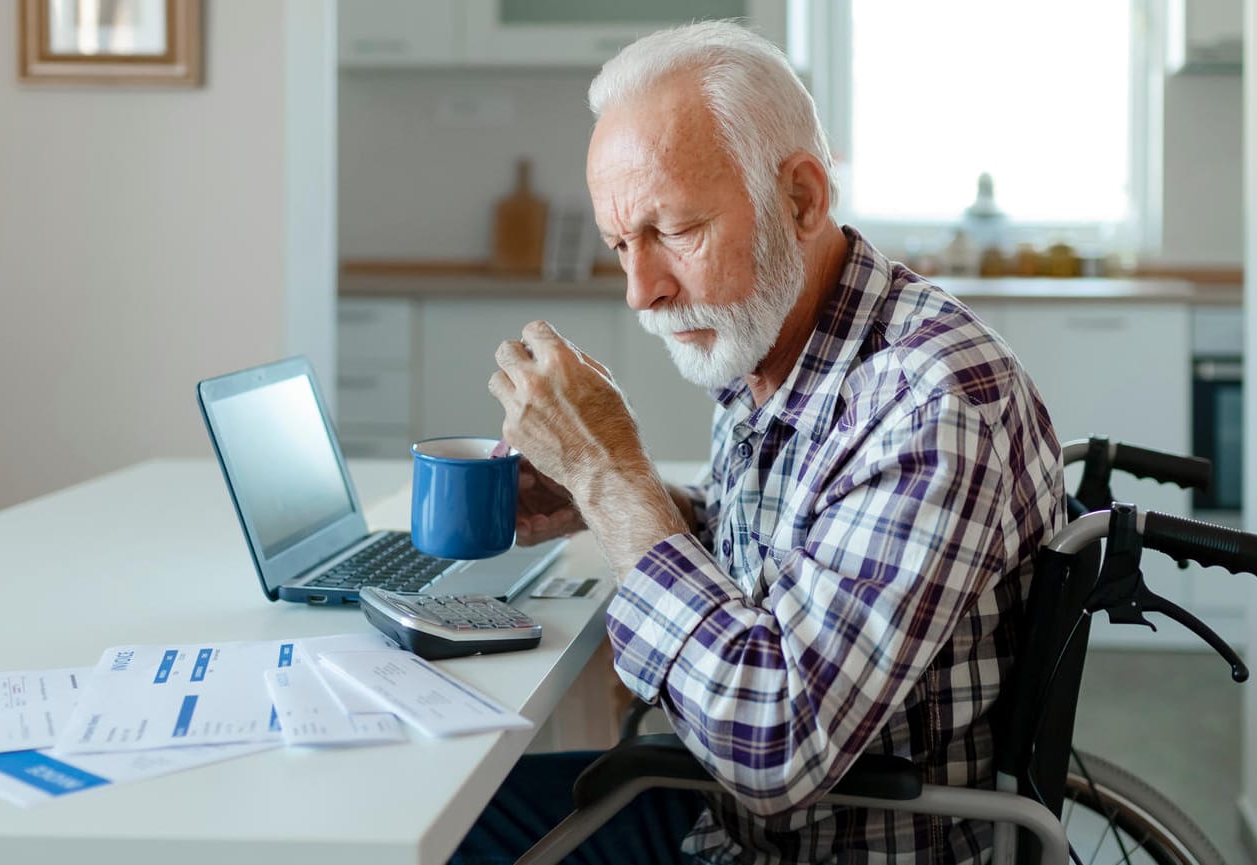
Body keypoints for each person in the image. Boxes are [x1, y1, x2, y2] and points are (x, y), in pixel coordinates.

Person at [453, 20, 1063, 865]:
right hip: (721, 813)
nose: (642, 290)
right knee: (457, 807)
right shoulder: (771, 336)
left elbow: (773, 743)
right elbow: (789, 554)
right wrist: (606, 498)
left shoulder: (931, 400)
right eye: (621, 243)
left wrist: (610, 472)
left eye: (673, 230)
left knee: (441, 831)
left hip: (799, 842)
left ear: (802, 200)